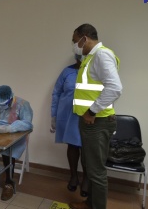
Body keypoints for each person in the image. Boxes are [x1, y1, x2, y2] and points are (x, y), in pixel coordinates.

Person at [69, 24, 122, 209]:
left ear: (85, 38)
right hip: (90, 122)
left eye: (76, 41)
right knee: (90, 166)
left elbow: (115, 88)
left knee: (96, 171)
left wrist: (92, 111)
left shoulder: (101, 55)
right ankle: (90, 203)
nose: (75, 45)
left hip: (97, 121)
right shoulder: (90, 57)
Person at [0, 85, 33, 201]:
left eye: (4, 105)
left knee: (7, 149)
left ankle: (9, 183)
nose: (1, 107)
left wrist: (9, 129)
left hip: (14, 135)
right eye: (0, 105)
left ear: (11, 98)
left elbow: (28, 124)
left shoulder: (23, 104)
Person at [50, 54, 88, 197]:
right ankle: (73, 176)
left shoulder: (94, 71)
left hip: (87, 115)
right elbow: (56, 93)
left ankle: (86, 179)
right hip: (68, 115)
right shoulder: (67, 72)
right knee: (72, 146)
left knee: (86, 148)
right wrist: (53, 115)